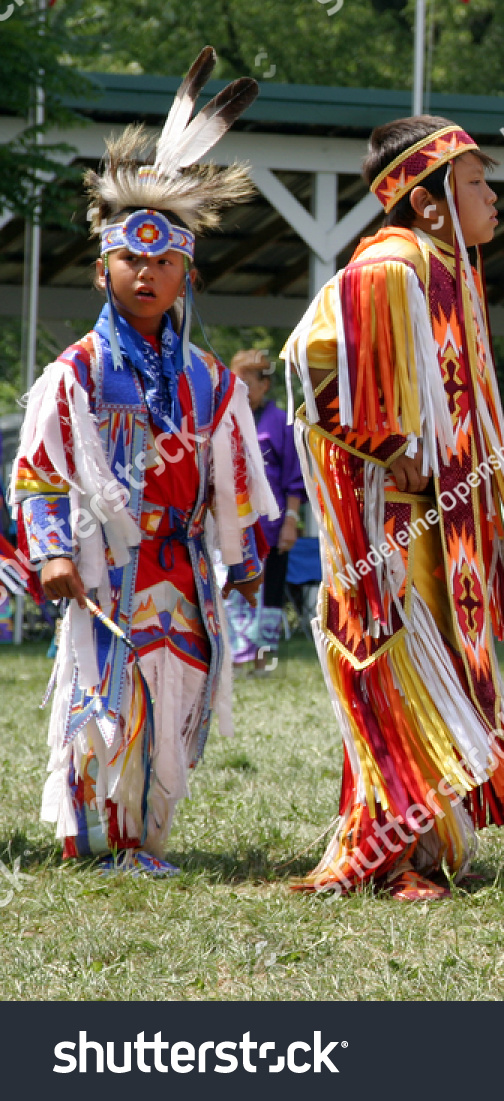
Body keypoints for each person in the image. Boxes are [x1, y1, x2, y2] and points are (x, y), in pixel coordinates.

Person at [7, 49, 272, 875]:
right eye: (132, 260)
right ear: (103, 269)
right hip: (106, 562)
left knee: (177, 694)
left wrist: (248, 556)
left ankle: (145, 838)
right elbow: (41, 470)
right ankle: (97, 839)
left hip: (182, 567)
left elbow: (236, 478)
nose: (147, 274)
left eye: (164, 263)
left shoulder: (211, 379)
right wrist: (52, 549)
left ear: (186, 273)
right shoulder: (77, 372)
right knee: (108, 695)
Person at [282, 115, 504, 901]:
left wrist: (491, 504)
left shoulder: (446, 271)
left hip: (441, 523)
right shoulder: (390, 267)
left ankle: (421, 844)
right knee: (394, 679)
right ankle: (384, 857)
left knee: (431, 681)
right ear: (428, 204)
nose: (492, 198)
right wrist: (378, 438)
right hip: (389, 523)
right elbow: (307, 368)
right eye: (475, 184)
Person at [224, 348, 304, 674]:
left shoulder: (282, 423)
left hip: (271, 527)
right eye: (235, 383)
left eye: (246, 383)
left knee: (269, 596)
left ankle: (264, 663)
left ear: (264, 385)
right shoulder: (225, 422)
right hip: (231, 525)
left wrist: (291, 523)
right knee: (231, 590)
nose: (240, 389)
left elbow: (294, 480)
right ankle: (232, 659)